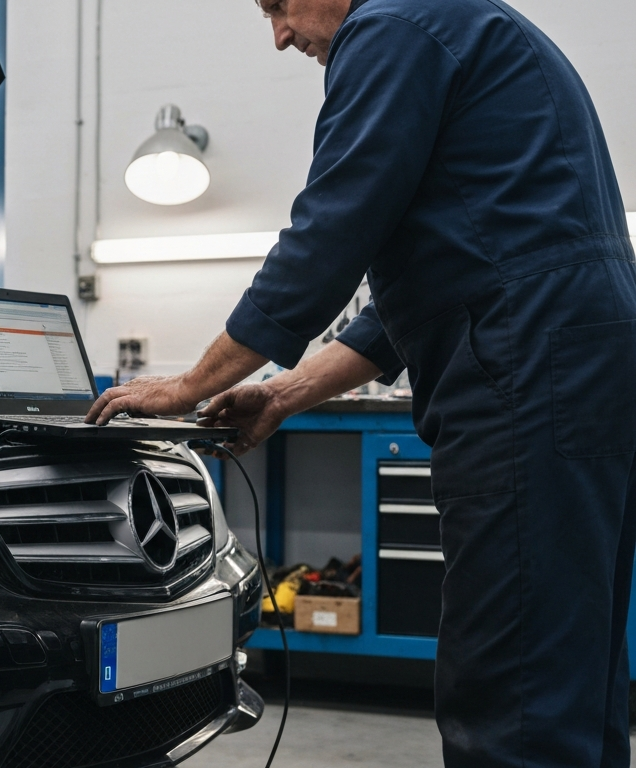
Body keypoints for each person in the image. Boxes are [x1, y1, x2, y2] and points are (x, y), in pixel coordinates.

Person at [86, 0, 636, 765]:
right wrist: (279, 394)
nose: (279, 34)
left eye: (277, 4)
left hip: (529, 366)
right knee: (572, 676)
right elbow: (408, 307)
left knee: (514, 696)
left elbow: (329, 233)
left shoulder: (393, 26)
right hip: (580, 363)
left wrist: (186, 386)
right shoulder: (459, 24)